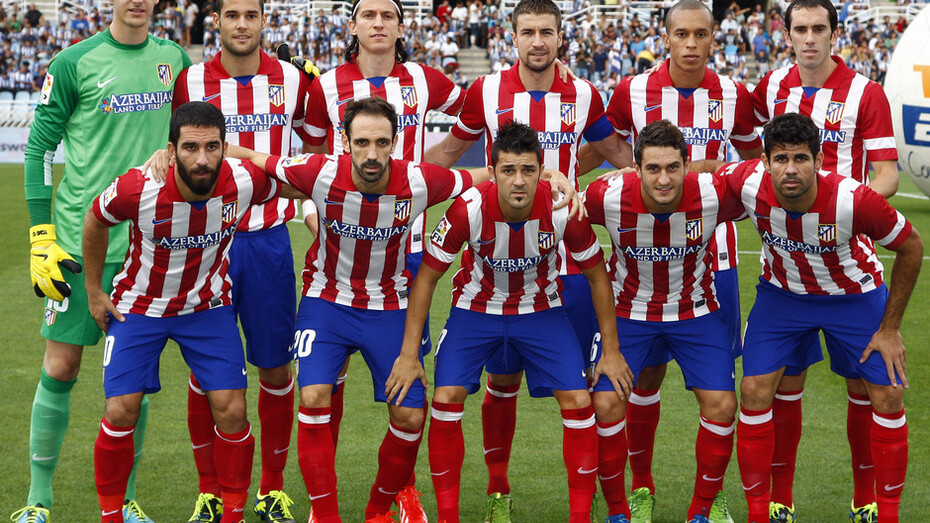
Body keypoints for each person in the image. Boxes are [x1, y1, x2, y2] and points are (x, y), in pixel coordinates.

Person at [234, 96, 580, 523]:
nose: (372, 153)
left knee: (412, 416)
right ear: (345, 142)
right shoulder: (318, 171)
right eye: (362, 142)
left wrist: (548, 174)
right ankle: (325, 515)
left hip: (390, 304)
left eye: (382, 142)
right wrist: (187, 151)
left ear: (395, 143)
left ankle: (377, 509)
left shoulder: (418, 180)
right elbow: (254, 158)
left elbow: (484, 174)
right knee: (313, 395)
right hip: (327, 301)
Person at [423, 0, 633, 518]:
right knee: (501, 382)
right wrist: (392, 183)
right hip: (499, 264)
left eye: (546, 32)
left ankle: (613, 506)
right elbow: (447, 154)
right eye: (528, 32)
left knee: (593, 393)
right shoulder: (485, 91)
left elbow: (619, 156)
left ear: (561, 38)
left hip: (568, 267)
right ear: (512, 37)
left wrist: (585, 183)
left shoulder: (584, 93)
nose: (537, 41)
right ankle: (498, 490)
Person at [389, 120, 633, 523]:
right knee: (446, 397)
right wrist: (409, 355)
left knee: (578, 401)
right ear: (492, 170)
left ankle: (579, 517)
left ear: (542, 171)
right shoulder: (468, 208)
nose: (518, 181)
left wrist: (611, 351)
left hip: (541, 311)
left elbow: (597, 276)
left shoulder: (560, 209)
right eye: (508, 170)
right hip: (476, 311)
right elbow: (427, 278)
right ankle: (452, 515)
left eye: (528, 170)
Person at [580, 2, 762, 519]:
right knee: (643, 381)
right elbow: (604, 146)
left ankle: (712, 496)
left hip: (713, 260)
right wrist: (565, 175)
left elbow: (756, 162)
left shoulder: (735, 94)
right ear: (665, 38)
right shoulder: (632, 90)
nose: (690, 43)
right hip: (639, 266)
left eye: (700, 34)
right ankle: (640, 487)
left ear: (714, 39)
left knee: (719, 390)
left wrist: (706, 172)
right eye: (681, 34)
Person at [83, 101, 301, 523]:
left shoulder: (242, 180)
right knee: (120, 409)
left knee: (232, 409)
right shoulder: (138, 187)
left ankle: (232, 514)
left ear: (224, 148)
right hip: (139, 307)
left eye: (212, 147)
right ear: (171, 150)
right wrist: (94, 291)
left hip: (206, 307)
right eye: (189, 148)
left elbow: (297, 183)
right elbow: (95, 220)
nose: (202, 159)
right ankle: (111, 516)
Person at [17, 0, 191, 520]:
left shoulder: (174, 59)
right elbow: (38, 150)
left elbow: (195, 131)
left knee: (131, 386)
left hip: (148, 249)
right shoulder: (73, 62)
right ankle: (38, 501)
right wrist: (41, 234)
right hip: (78, 245)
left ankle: (127, 501)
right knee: (61, 366)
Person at [300, 0, 468, 517]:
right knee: (324, 385)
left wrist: (435, 163)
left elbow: (479, 115)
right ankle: (323, 502)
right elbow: (309, 160)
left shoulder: (425, 79)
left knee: (407, 384)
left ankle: (401, 490)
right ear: (352, 25)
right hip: (340, 248)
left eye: (387, 15)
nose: (378, 23)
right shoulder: (325, 87)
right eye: (368, 15)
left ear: (400, 25)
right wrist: (314, 214)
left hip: (406, 254)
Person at [728, 112, 921, 523]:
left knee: (887, 394)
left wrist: (889, 329)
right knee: (755, 389)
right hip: (783, 296)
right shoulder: (746, 183)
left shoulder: (853, 199)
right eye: (781, 159)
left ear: (818, 160)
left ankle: (878, 508)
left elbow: (912, 246)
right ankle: (766, 509)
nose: (790, 169)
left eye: (801, 158)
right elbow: (703, 175)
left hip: (853, 296)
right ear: (764, 162)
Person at [751, 0, 899, 519]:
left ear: (835, 33)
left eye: (819, 28)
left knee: (865, 387)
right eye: (801, 29)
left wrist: (848, 207)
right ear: (787, 34)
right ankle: (780, 500)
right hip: (785, 270)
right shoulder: (771, 86)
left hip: (848, 267)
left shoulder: (865, 92)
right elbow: (738, 133)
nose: (810, 37)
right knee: (782, 385)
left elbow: (887, 173)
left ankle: (866, 500)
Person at [171, 0, 313, 520]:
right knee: (205, 371)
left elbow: (315, 152)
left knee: (275, 367)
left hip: (266, 242)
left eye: (250, 14)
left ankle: (270, 488)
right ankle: (208, 490)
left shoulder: (294, 81)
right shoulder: (190, 81)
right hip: (206, 243)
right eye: (231, 14)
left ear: (263, 21)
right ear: (217, 21)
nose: (241, 24)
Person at [584, 119, 744, 523]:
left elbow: (765, 181)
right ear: (635, 168)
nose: (663, 179)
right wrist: (557, 181)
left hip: (695, 310)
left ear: (687, 166)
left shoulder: (713, 194)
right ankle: (620, 510)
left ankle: (702, 509)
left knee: (723, 405)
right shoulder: (606, 196)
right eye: (652, 168)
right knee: (604, 403)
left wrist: (715, 165)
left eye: (673, 167)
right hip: (628, 312)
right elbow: (557, 209)